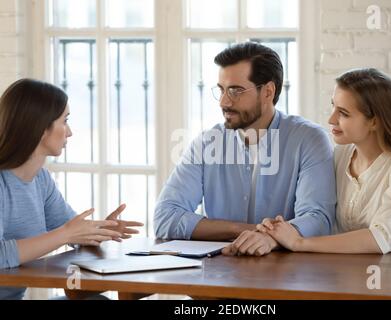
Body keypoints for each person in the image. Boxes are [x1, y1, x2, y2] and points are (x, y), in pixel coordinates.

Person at [154, 42, 336, 256]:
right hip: (220, 277)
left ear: (268, 92)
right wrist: (248, 230)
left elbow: (318, 219)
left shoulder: (309, 140)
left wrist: (270, 239)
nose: (224, 102)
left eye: (235, 91)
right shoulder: (206, 144)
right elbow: (166, 217)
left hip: (288, 278)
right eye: (221, 90)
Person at [257, 68, 391, 254]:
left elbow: (382, 237)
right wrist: (277, 230)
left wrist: (298, 242)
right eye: (333, 107)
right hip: (358, 272)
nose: (331, 119)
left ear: (374, 122)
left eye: (344, 113)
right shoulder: (340, 155)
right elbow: (320, 214)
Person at [0, 79, 143, 299]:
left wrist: (102, 230)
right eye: (64, 121)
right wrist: (65, 234)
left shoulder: (41, 180)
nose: (70, 132)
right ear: (40, 128)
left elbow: (71, 232)